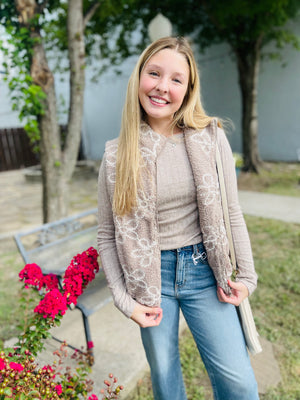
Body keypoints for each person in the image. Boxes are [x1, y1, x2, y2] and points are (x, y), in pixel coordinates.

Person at [97, 36, 259, 400]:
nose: (162, 87)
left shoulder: (211, 137)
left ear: (187, 90)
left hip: (206, 273)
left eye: (176, 79)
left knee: (240, 385)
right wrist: (126, 302)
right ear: (139, 77)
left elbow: (232, 211)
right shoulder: (115, 154)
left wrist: (247, 277)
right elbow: (107, 236)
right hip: (151, 282)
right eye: (154, 73)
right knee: (167, 384)